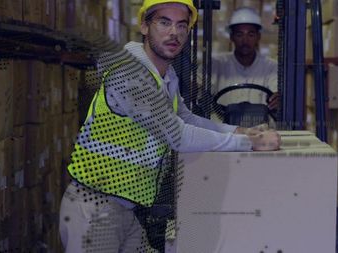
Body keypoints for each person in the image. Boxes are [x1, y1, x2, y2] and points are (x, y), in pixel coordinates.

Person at [58, 1, 281, 252]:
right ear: (144, 26)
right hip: (96, 207)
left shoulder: (165, 76)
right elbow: (176, 133)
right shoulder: (129, 73)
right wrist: (249, 144)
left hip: (126, 208)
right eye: (164, 22)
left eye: (182, 25)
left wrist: (240, 131)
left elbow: (187, 118)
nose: (174, 32)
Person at [212, 7, 280, 112]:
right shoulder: (216, 64)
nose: (245, 40)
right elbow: (197, 89)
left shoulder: (271, 67)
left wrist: (278, 99)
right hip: (223, 127)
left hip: (261, 127)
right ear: (231, 37)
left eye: (251, 34)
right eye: (239, 34)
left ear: (258, 37)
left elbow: (277, 93)